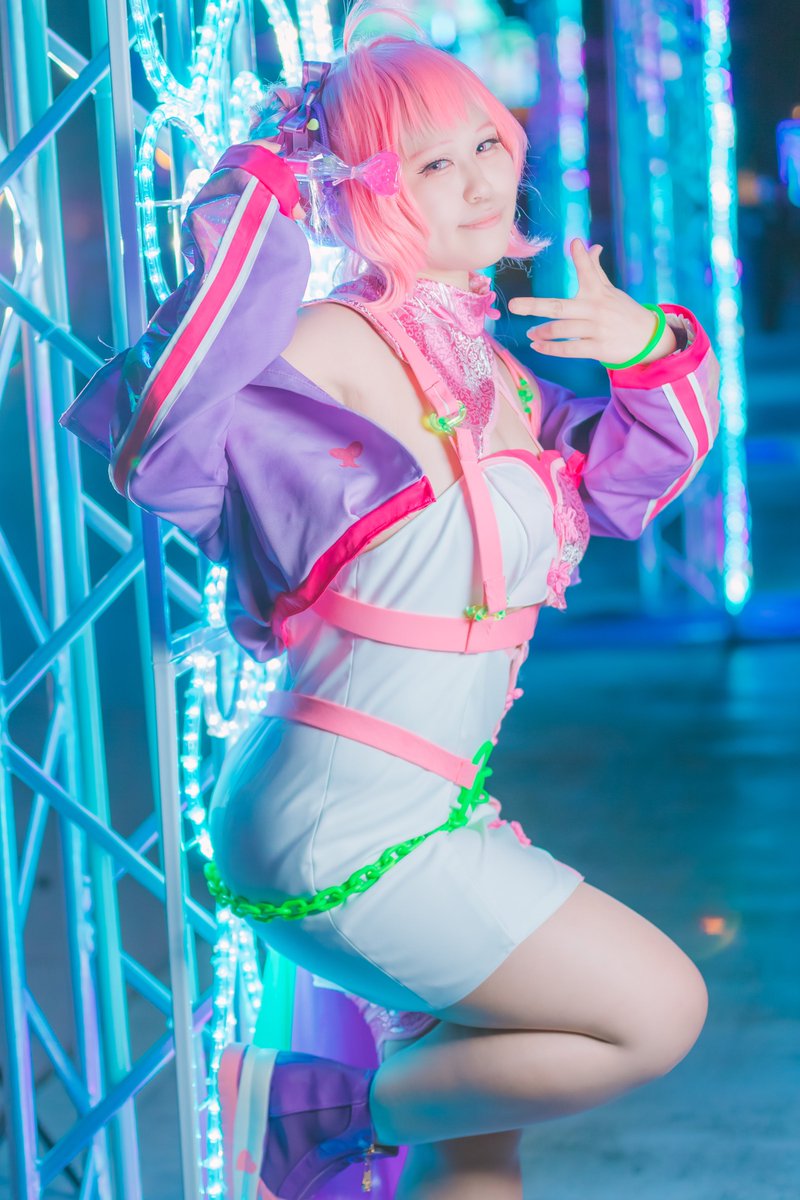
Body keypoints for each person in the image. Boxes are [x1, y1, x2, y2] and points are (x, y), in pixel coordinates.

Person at [59, 2, 721, 1197]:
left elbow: (625, 486)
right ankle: (311, 1114)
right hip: (343, 817)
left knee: (474, 1150)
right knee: (654, 1010)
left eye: (485, 144)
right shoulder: (332, 339)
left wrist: (643, 348)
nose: (479, 180)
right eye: (428, 164)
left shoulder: (492, 366)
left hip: (432, 804)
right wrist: (264, 184)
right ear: (362, 192)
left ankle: (356, 1120)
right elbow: (158, 434)